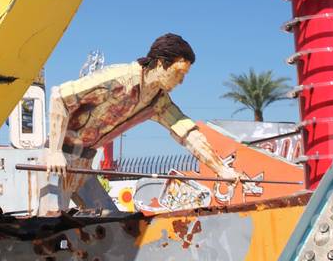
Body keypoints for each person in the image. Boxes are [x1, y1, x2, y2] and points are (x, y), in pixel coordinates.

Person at [38, 33, 241, 215]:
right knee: (49, 227)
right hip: (58, 163)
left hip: (83, 165)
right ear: (161, 63)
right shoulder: (118, 78)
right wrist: (54, 152)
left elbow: (187, 132)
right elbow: (60, 97)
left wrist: (221, 170)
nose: (181, 81)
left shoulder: (158, 102)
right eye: (179, 73)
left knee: (113, 226)